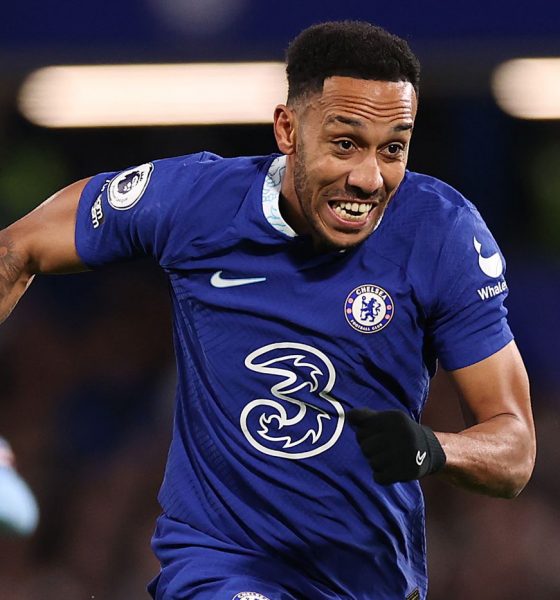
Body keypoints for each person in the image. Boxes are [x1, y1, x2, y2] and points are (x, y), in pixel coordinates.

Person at [0, 20, 535, 600]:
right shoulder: (195, 202)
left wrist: (434, 448)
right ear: (288, 130)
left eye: (393, 149)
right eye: (345, 144)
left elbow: (514, 450)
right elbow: (17, 248)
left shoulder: (441, 233)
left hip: (370, 581)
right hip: (221, 566)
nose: (369, 178)